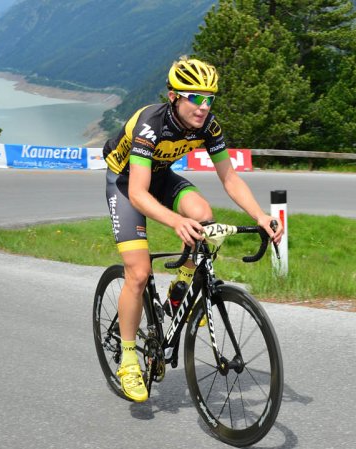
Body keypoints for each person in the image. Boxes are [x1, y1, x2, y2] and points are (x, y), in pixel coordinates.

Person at [103, 56, 284, 402]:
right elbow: (139, 192)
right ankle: (128, 358)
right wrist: (174, 221)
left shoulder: (208, 126)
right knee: (139, 273)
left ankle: (181, 287)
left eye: (209, 98)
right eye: (195, 98)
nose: (203, 107)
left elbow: (229, 178)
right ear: (174, 96)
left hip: (160, 176)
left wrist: (260, 215)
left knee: (204, 216)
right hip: (126, 183)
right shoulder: (150, 124)